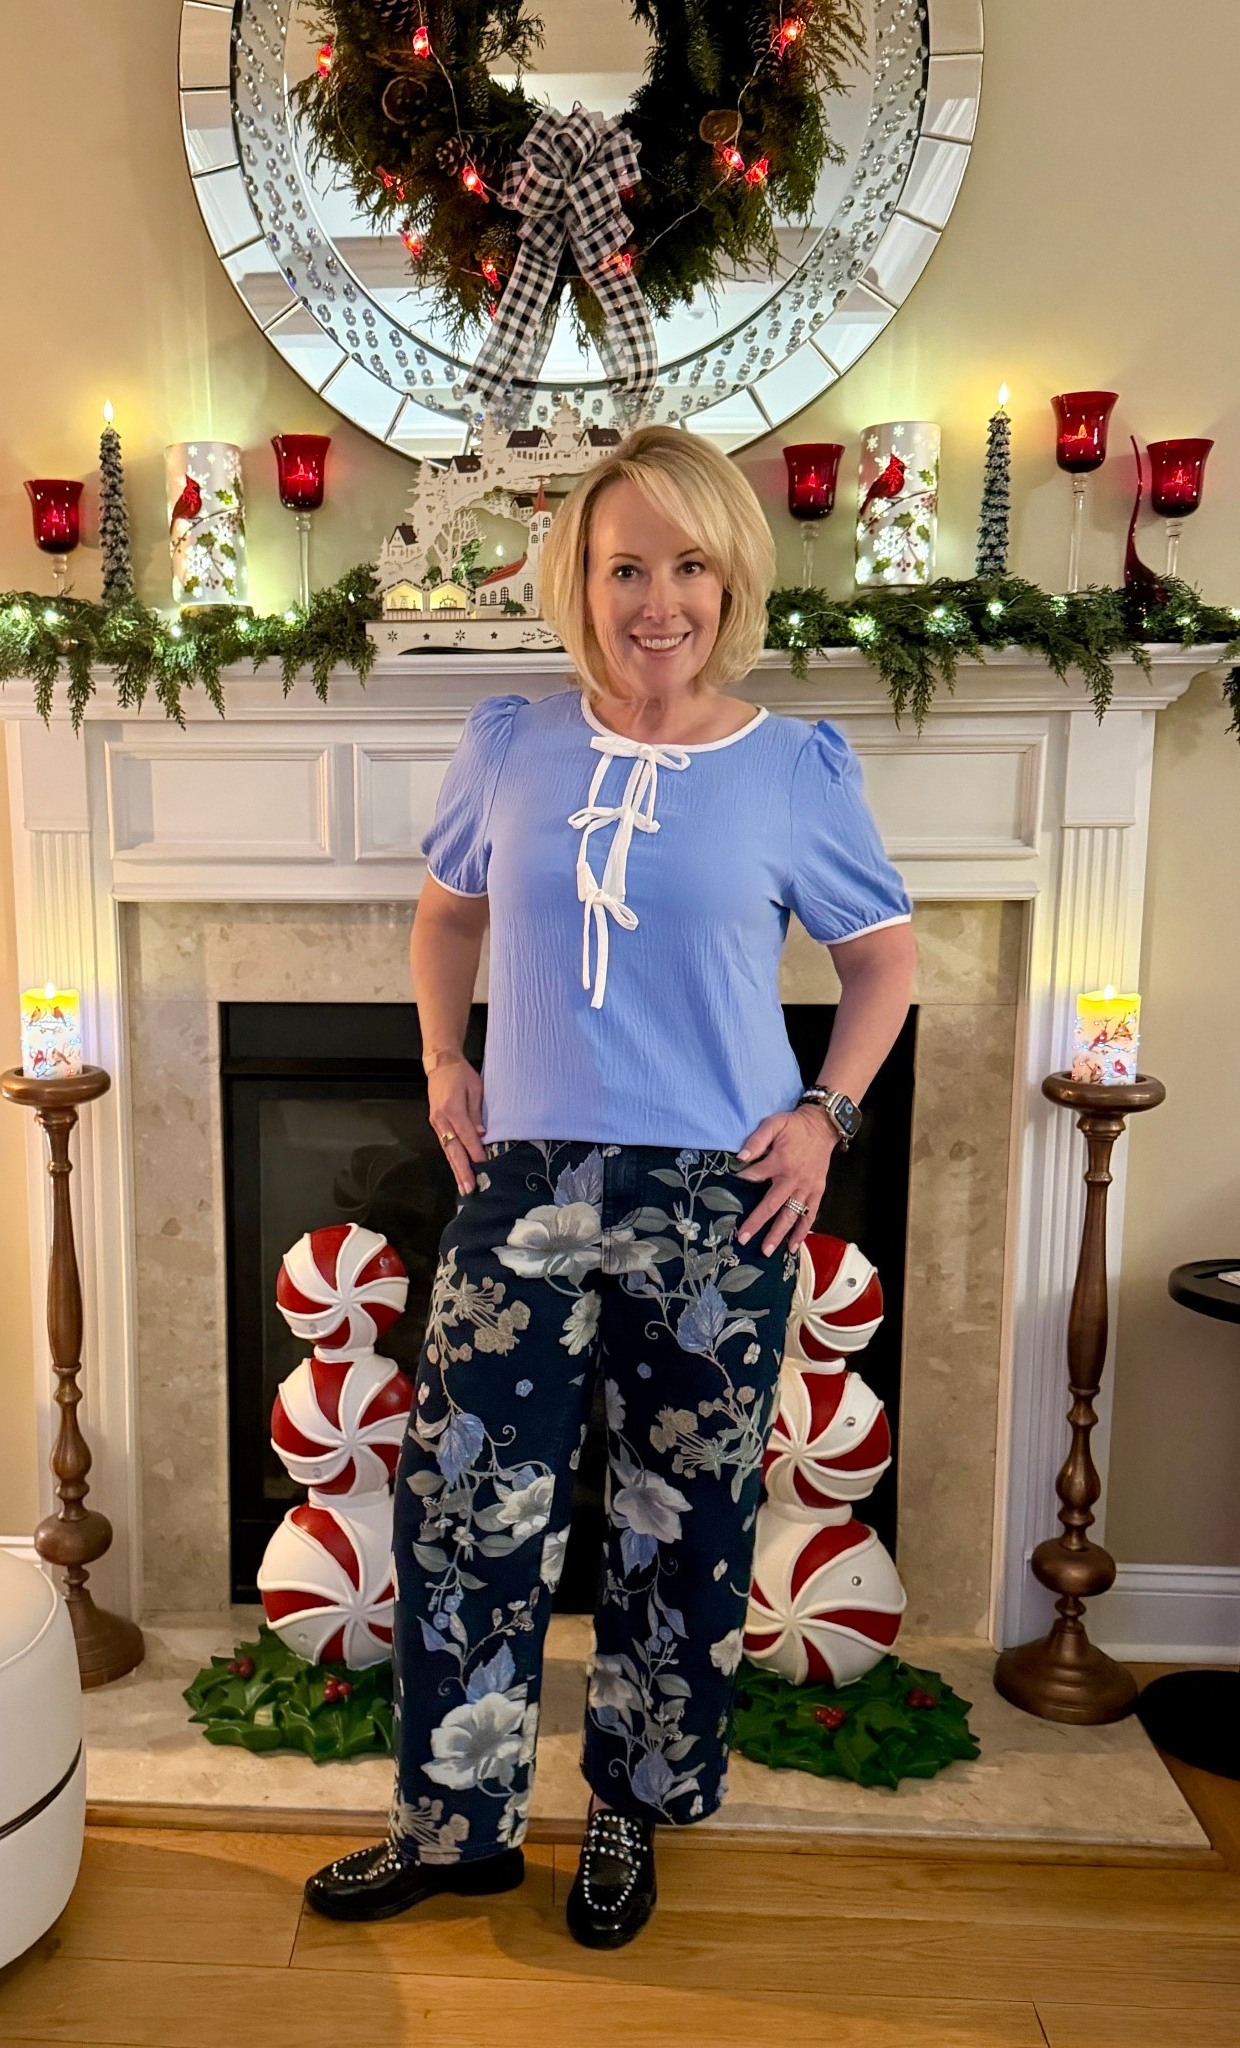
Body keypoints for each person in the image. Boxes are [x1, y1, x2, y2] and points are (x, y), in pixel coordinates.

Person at [305, 424, 915, 1947]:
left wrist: (826, 1111)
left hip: (718, 1202)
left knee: (677, 1522)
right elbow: (444, 922)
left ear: (731, 577)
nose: (659, 600)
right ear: (578, 580)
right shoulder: (508, 741)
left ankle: (626, 1821)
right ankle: (454, 1828)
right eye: (625, 564)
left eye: (689, 564)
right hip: (521, 1181)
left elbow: (883, 959)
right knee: (463, 1512)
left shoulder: (792, 765)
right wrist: (444, 1063)